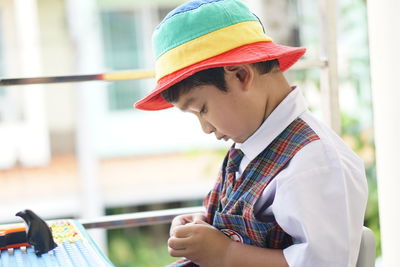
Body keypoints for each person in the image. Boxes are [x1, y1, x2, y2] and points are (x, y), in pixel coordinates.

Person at [134, 0, 368, 266]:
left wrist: (225, 254)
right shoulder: (249, 146)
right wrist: (204, 227)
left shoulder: (315, 161)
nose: (205, 128)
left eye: (202, 109)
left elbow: (324, 263)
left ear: (241, 76)